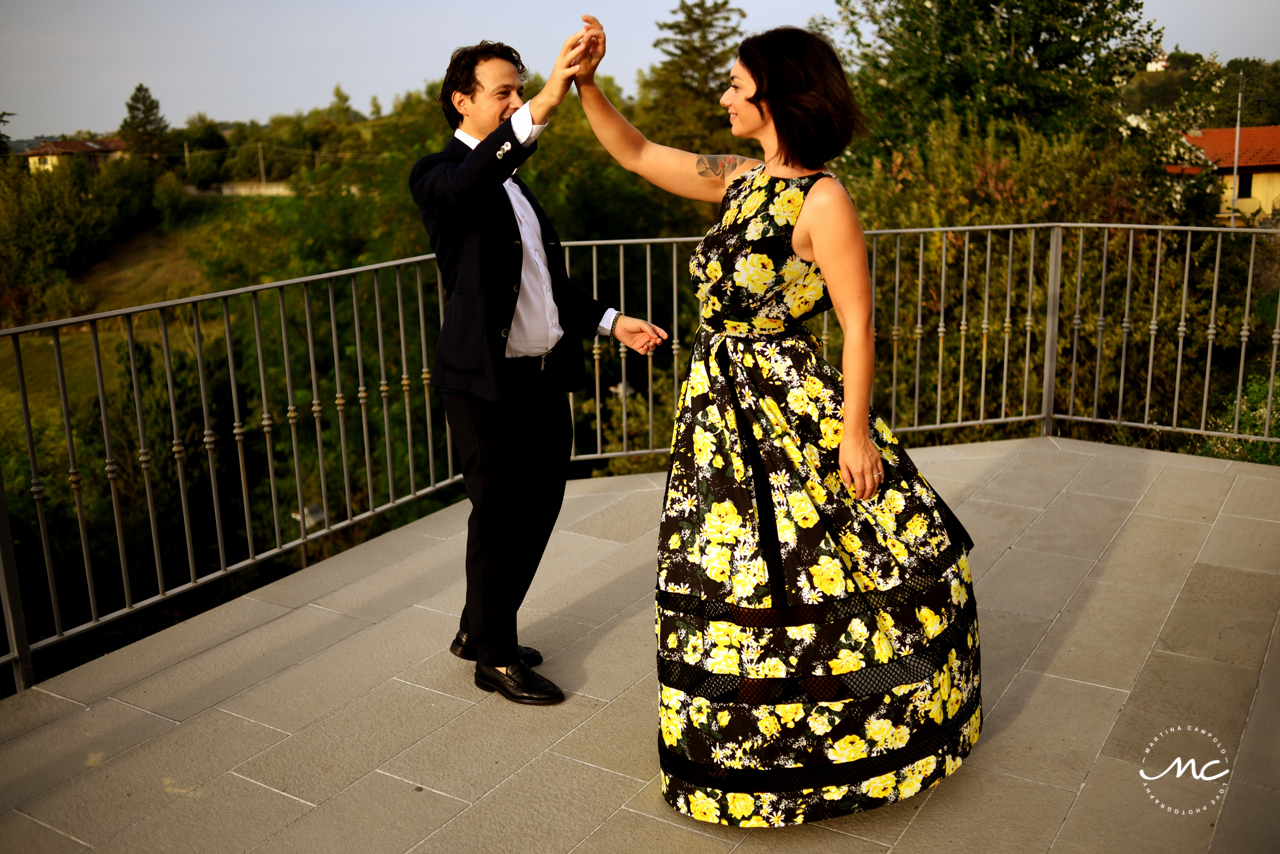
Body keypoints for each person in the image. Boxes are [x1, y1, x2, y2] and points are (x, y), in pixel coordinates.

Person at [572, 18, 979, 826]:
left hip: (785, 399)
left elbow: (858, 324)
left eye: (734, 84)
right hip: (718, 412)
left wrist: (854, 434)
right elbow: (636, 153)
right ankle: (737, 743)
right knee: (729, 575)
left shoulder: (823, 198)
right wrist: (587, 82)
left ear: (778, 94)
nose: (723, 96)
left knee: (828, 567)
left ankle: (854, 729)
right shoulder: (738, 177)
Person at [408, 34, 667, 706]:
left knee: (541, 506)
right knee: (499, 515)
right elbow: (475, 177)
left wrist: (613, 322)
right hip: (484, 383)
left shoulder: (518, 191)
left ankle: (478, 627)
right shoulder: (441, 178)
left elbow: (551, 289)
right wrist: (554, 94)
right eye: (505, 92)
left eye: (521, 90)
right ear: (461, 101)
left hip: (543, 378)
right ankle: (494, 656)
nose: (517, 101)